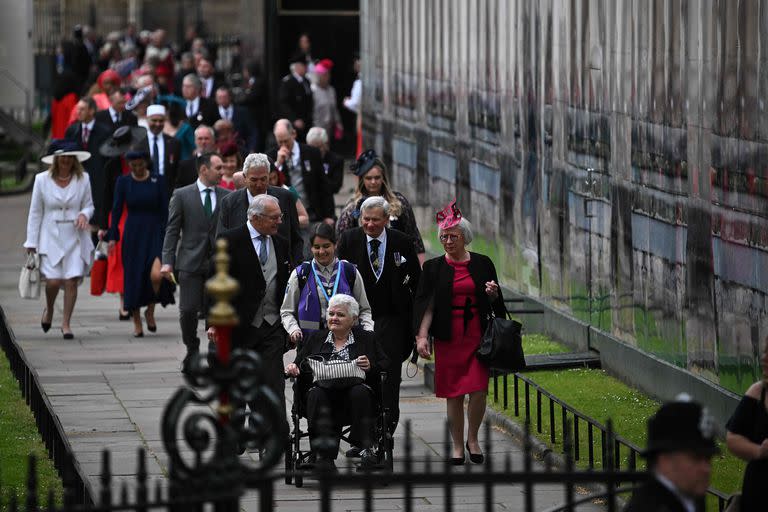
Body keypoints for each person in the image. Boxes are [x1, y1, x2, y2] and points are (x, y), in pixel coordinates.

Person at [414, 202, 505, 464]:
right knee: (453, 393)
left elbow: (496, 303)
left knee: (478, 389)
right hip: (448, 337)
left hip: (477, 335)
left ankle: (473, 438)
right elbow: (426, 305)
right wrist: (422, 337)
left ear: (465, 237)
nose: (448, 240)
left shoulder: (483, 263)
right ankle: (456, 445)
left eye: (454, 236)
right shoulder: (432, 268)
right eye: (444, 236)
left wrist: (493, 294)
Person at [336, 196, 421, 434]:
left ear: (386, 219)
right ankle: (361, 434)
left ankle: (384, 432)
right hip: (358, 321)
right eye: (366, 219)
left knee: (389, 378)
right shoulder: (350, 239)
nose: (370, 224)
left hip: (392, 321)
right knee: (359, 377)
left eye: (376, 219)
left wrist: (416, 327)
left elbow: (416, 280)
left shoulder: (401, 241)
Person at [213, 195, 292, 438]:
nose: (279, 221)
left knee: (272, 386)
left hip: (271, 327)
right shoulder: (229, 240)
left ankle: (269, 438)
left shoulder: (280, 242)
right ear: (255, 217)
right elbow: (214, 281)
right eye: (274, 217)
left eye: (280, 216)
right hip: (239, 327)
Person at [285, 294, 388, 468]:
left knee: (360, 392)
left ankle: (366, 449)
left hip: (355, 399)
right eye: (331, 314)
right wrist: (293, 368)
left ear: (354, 319)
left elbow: (385, 364)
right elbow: (299, 364)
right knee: (316, 393)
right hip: (323, 397)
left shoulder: (366, 338)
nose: (334, 318)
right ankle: (323, 456)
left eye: (340, 315)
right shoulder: (316, 338)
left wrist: (370, 366)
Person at [161, 152, 230, 374]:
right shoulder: (182, 195)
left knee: (216, 311)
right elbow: (172, 230)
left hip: (218, 264)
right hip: (190, 262)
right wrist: (167, 261)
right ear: (203, 169)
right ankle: (192, 348)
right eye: (218, 168)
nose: (223, 171)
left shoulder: (227, 196)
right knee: (188, 310)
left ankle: (213, 350)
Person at [24, 140, 94, 340]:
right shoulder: (41, 180)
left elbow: (89, 205)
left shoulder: (83, 179)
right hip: (50, 236)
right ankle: (49, 309)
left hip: (75, 235)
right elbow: (35, 212)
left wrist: (84, 214)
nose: (65, 161)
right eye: (61, 157)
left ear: (74, 160)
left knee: (71, 280)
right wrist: (31, 241)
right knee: (53, 281)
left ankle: (66, 324)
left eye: (69, 158)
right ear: (55, 160)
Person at [107, 150, 174, 337]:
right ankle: (137, 321)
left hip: (155, 231)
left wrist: (168, 234)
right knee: (134, 277)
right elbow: (117, 208)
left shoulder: (158, 180)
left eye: (140, 164)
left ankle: (150, 311)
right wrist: (113, 235)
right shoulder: (123, 182)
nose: (137, 168)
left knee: (156, 275)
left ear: (146, 163)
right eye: (133, 165)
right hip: (133, 233)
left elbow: (164, 209)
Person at [281, 223, 373, 345]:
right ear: (311, 248)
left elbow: (364, 309)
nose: (321, 251)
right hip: (310, 345)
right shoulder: (300, 274)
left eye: (326, 246)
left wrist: (368, 331)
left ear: (335, 245)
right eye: (316, 247)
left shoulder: (350, 271)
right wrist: (294, 330)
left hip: (347, 344)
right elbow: (286, 312)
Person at [624, 395, 717, 512]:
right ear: (664, 460)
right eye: (696, 458)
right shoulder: (650, 507)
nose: (706, 468)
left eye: (708, 458)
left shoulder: (690, 494)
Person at [336, 150, 426, 265]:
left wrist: (421, 268)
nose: (373, 182)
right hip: (362, 264)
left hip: (397, 263)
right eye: (369, 178)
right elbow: (341, 242)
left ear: (383, 178)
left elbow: (414, 236)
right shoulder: (353, 207)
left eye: (377, 177)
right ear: (362, 179)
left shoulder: (399, 202)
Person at [216, 153, 303, 266]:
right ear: (244, 177)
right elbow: (221, 241)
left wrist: (297, 269)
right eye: (254, 180)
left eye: (263, 179)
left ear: (269, 175)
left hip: (280, 270)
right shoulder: (229, 203)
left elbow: (296, 239)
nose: (259, 184)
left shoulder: (286, 198)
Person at [725, 336, 768, 512]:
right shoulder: (758, 392)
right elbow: (733, 438)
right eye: (765, 351)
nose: (764, 358)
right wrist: (759, 451)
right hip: (758, 495)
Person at [267, 119, 334, 229]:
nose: (283, 145)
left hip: (313, 211)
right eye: (280, 142)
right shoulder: (271, 156)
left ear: (293, 134)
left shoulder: (311, 152)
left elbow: (324, 185)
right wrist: (278, 164)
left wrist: (328, 215)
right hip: (288, 214)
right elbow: (271, 183)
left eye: (286, 141)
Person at [139, 104, 180, 194]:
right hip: (144, 191)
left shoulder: (174, 143)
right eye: (154, 120)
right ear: (147, 119)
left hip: (167, 192)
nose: (157, 124)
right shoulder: (139, 143)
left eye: (161, 121)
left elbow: (177, 170)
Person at [278, 53, 313, 141]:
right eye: (304, 65)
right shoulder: (288, 82)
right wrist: (294, 119)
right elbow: (284, 103)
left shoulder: (306, 81)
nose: (306, 68)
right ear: (297, 67)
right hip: (294, 123)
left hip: (306, 121)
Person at [310, 60, 343, 145]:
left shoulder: (331, 90)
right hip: (316, 128)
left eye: (328, 74)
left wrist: (338, 123)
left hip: (329, 128)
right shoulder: (313, 90)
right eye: (324, 75)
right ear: (318, 76)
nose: (327, 77)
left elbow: (334, 109)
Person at [306, 126, 344, 195]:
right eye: (312, 147)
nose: (314, 151)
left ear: (326, 144)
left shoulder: (336, 160)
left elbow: (336, 187)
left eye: (318, 147)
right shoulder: (305, 158)